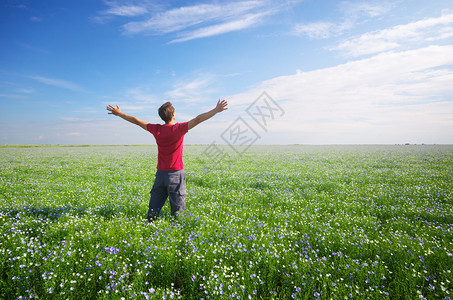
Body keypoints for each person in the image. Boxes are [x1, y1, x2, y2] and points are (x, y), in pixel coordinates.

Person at [106, 99, 228, 221]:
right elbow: (198, 119)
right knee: (177, 211)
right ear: (173, 115)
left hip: (160, 175)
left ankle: (150, 227)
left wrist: (120, 114)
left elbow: (137, 121)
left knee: (154, 209)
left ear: (161, 117)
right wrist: (216, 110)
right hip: (176, 174)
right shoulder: (179, 129)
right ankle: (176, 229)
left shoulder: (156, 129)